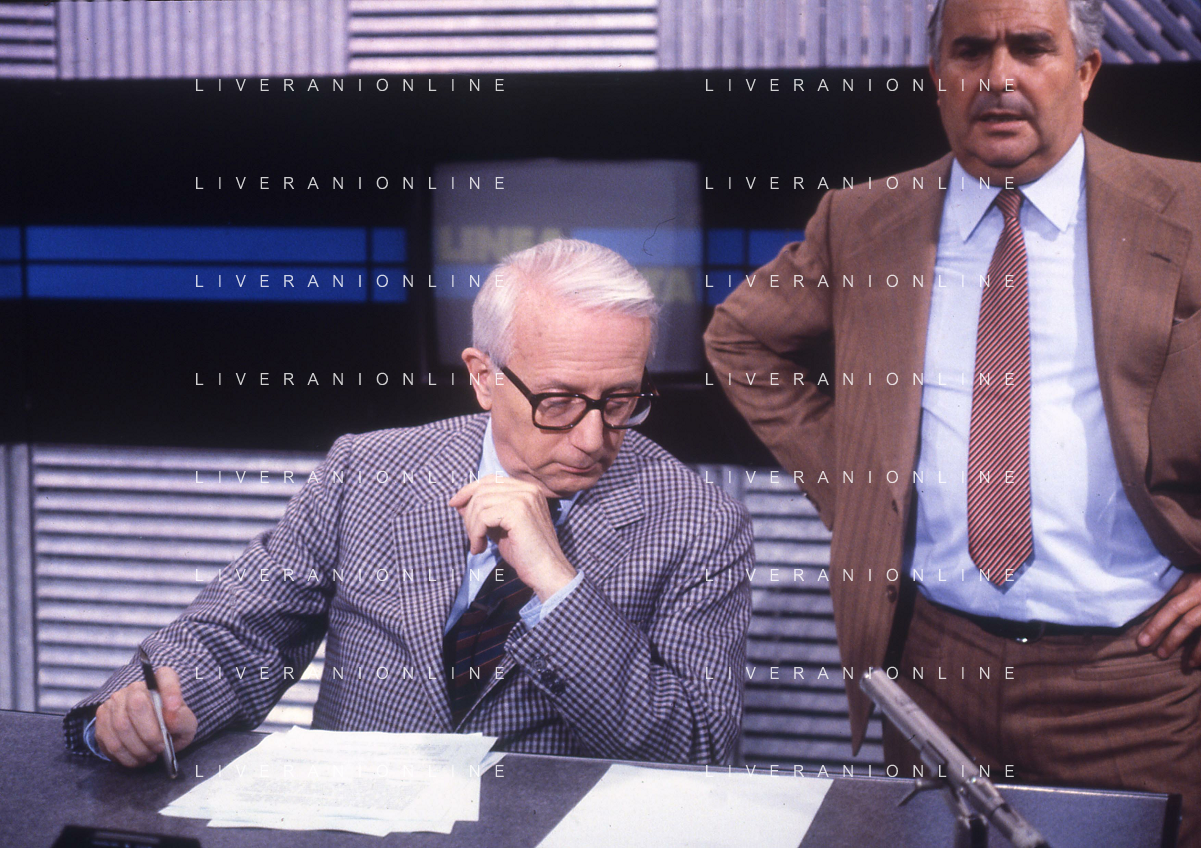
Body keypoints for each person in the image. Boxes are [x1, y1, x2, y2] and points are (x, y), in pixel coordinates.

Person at [704, 0, 1200, 842]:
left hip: (1136, 680)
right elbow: (739, 339)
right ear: (936, 76)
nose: (997, 78)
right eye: (970, 51)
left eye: (1030, 48)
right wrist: (863, 491)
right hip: (931, 670)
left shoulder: (1186, 208)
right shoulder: (863, 222)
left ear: (1084, 71)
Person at [66, 238, 753, 767]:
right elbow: (238, 636)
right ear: (483, 377)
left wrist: (558, 586)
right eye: (558, 401)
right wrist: (139, 713)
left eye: (621, 400)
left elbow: (699, 751)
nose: (593, 436)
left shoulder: (700, 523)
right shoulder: (366, 471)